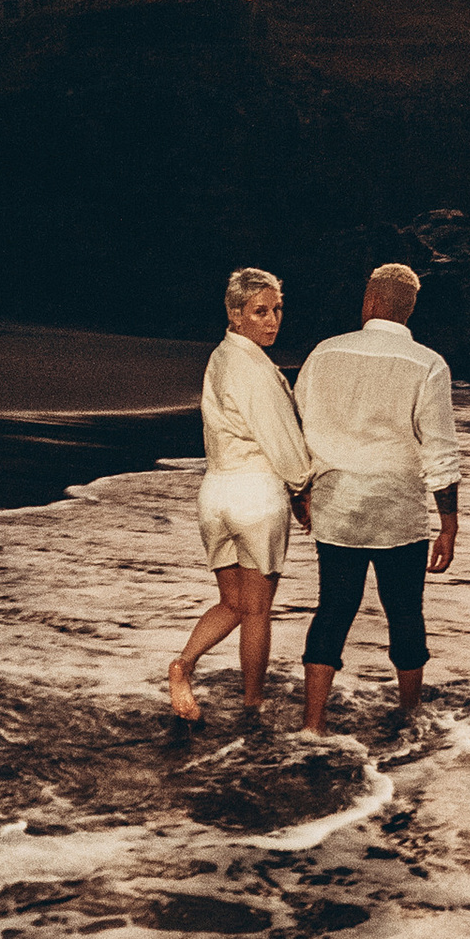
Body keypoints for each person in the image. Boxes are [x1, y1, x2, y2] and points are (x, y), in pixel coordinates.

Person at [294, 260, 460, 729]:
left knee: (333, 608)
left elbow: (298, 431)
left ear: (369, 302)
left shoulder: (325, 353)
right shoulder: (428, 363)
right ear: (408, 311)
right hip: (396, 508)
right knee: (405, 611)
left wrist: (298, 493)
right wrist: (449, 523)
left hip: (337, 502)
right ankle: (410, 717)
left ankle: (312, 725)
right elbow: (440, 450)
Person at [170, 266, 316, 721]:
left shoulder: (221, 356)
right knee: (255, 612)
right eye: (259, 311)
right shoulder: (253, 366)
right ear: (235, 314)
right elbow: (284, 443)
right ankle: (253, 706)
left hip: (215, 493)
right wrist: (303, 490)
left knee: (232, 602)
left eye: (277, 310)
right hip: (255, 495)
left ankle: (183, 664)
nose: (271, 321)